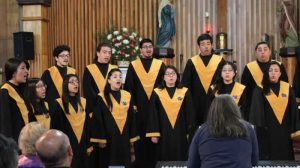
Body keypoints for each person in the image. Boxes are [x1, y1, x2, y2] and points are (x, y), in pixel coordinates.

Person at [124, 38, 165, 167]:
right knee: (140, 141)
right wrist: (133, 105)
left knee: (156, 140)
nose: (148, 49)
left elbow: (164, 86)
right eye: (145, 47)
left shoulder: (160, 65)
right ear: (140, 50)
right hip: (139, 110)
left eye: (150, 46)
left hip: (156, 109)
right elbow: (129, 87)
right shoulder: (134, 65)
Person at [188, 94, 259, 167]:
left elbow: (192, 164)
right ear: (235, 109)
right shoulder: (248, 128)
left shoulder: (202, 131)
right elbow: (254, 161)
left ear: (213, 110)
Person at [250, 61, 300, 160]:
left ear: (280, 73)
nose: (273, 73)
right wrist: (261, 130)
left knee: (285, 156)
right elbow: (257, 112)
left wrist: (294, 128)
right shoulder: (260, 89)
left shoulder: (287, 88)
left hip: (285, 130)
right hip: (268, 130)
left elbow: (293, 110)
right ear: (266, 73)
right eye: (270, 70)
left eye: (276, 70)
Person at [146, 65, 196, 161]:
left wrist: (191, 132)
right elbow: (153, 114)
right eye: (168, 74)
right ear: (163, 77)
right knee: (164, 156)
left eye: (173, 74)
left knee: (181, 155)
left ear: (177, 76)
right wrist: (154, 133)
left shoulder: (184, 91)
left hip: (181, 131)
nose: (171, 76)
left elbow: (190, 113)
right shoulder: (157, 92)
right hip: (163, 131)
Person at [91, 68, 139, 167]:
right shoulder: (101, 97)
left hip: (124, 136)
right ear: (109, 80)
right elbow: (98, 120)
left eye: (120, 77)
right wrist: (101, 139)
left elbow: (131, 118)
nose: (118, 79)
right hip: (109, 138)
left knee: (124, 161)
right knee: (110, 161)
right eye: (115, 76)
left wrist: (132, 137)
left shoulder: (127, 95)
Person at [182, 33, 225, 126]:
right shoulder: (192, 62)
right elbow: (186, 84)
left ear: (212, 45)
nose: (206, 47)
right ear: (199, 46)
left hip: (215, 100)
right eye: (203, 44)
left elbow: (224, 81)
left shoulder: (220, 60)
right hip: (196, 102)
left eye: (208, 43)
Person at [50, 74, 90, 168]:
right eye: (72, 82)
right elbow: (56, 127)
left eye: (77, 81)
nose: (75, 84)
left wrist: (89, 143)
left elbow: (88, 124)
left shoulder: (83, 102)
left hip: (83, 143)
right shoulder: (59, 103)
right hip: (67, 143)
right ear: (65, 85)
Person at [241, 41, 288, 120]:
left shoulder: (278, 66)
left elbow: (285, 86)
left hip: (276, 105)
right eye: (259, 50)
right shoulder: (249, 67)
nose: (262, 52)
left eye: (265, 49)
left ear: (269, 52)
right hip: (255, 106)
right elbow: (244, 90)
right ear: (256, 52)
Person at [0, 58, 36, 141]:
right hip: (13, 143)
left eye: (27, 68)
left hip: (26, 140)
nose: (27, 72)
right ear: (13, 72)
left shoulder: (22, 91)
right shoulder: (5, 91)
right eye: (23, 68)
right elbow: (5, 122)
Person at [83, 43, 118, 116]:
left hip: (113, 106)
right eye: (104, 52)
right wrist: (100, 103)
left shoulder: (114, 68)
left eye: (109, 53)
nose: (107, 55)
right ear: (98, 53)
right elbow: (88, 90)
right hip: (95, 107)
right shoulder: (89, 69)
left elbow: (117, 89)